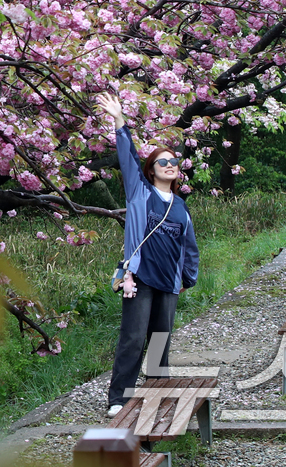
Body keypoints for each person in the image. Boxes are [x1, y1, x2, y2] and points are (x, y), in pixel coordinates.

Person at [95, 92, 199, 418]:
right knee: (133, 338)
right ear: (151, 170)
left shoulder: (181, 207)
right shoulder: (140, 193)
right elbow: (127, 157)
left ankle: (157, 396)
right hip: (139, 278)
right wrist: (118, 120)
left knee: (160, 342)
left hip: (169, 282)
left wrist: (187, 278)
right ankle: (119, 399)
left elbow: (190, 246)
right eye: (162, 162)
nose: (170, 166)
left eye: (174, 162)